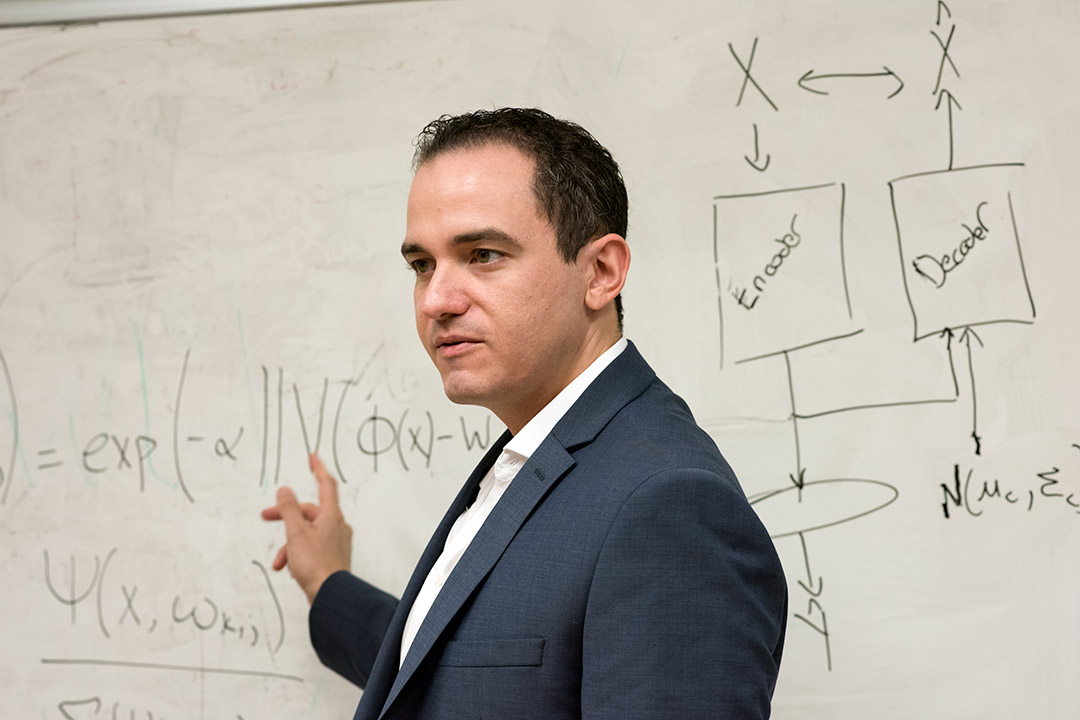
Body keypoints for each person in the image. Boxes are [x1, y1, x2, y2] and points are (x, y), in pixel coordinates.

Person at [262, 107, 787, 719]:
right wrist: (328, 584)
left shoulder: (669, 505)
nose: (436, 300)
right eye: (421, 265)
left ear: (600, 272)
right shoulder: (539, 451)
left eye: (483, 254)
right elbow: (471, 670)